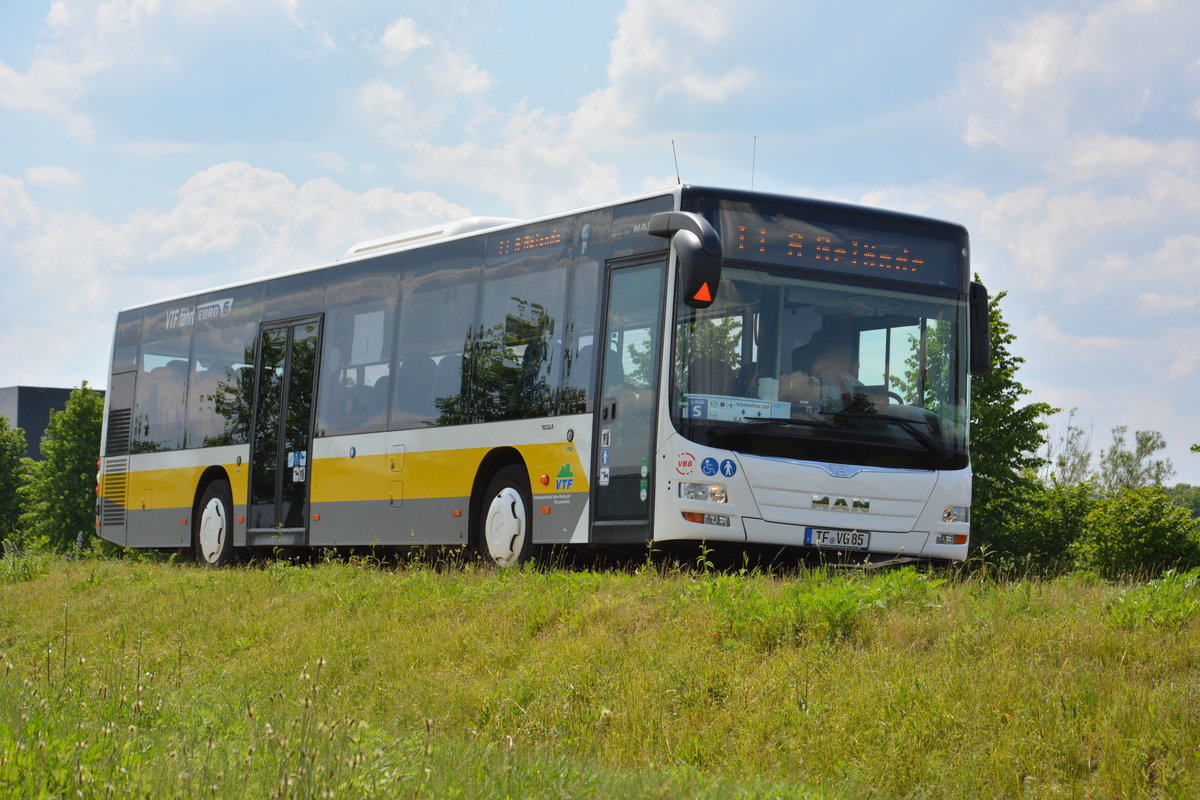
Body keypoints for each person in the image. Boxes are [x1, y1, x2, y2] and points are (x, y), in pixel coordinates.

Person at [779, 328, 866, 412]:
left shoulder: (858, 386)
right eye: (834, 352)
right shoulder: (809, 383)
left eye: (845, 351)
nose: (843, 356)